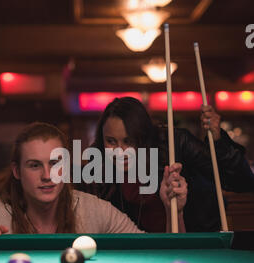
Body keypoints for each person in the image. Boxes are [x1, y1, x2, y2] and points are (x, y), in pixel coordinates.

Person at [0, 122, 187, 238]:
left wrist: (172, 211)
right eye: (35, 165)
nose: (47, 175)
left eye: (56, 163)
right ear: (16, 171)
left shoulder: (96, 211)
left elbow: (157, 254)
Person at [77, 97, 254, 232]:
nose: (120, 151)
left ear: (144, 137)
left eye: (129, 141)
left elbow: (242, 181)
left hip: (194, 241)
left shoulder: (175, 144)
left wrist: (217, 140)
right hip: (136, 250)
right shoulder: (97, 167)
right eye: (111, 141)